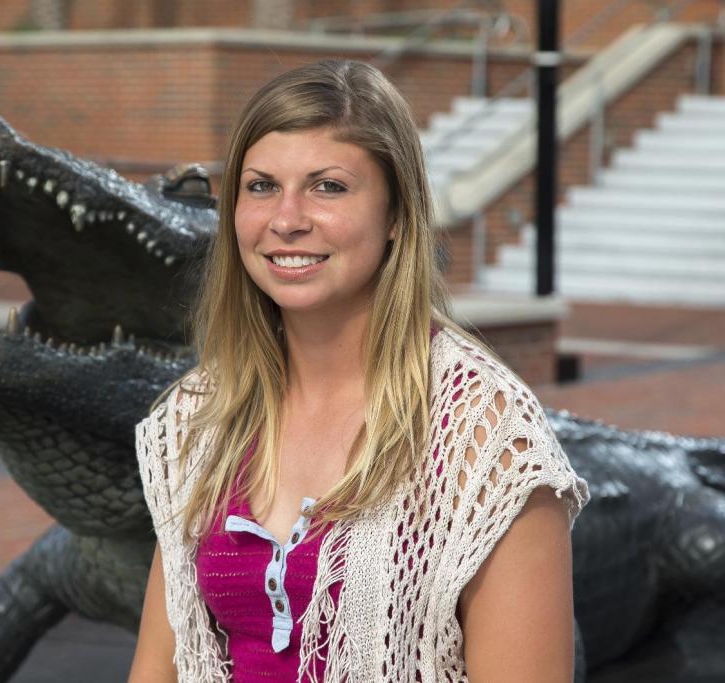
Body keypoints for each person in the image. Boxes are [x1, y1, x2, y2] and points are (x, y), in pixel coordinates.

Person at [127, 59, 589, 682]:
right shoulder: (200, 415)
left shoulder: (487, 439)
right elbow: (160, 666)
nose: (286, 220)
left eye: (329, 187)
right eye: (261, 186)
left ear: (398, 215)